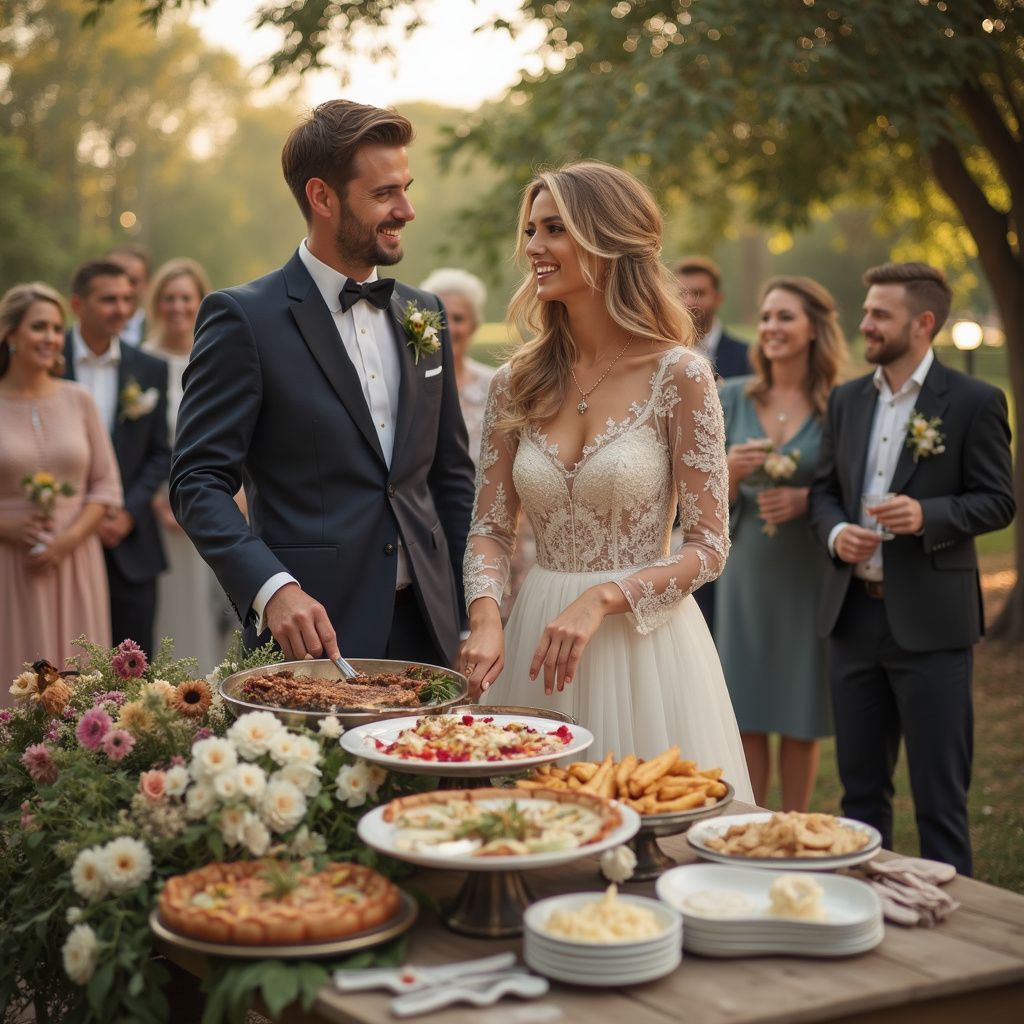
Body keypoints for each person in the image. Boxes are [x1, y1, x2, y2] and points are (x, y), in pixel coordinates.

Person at [459, 161, 753, 797]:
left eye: (554, 230)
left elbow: (708, 547)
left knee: (651, 834)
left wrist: (603, 597)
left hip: (645, 645)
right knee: (532, 830)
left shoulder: (680, 375)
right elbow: (488, 530)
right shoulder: (517, 381)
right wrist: (486, 617)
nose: (533, 247)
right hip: (537, 637)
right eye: (532, 230)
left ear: (609, 241)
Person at [170, 100, 476, 667]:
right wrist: (273, 588)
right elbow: (197, 482)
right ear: (322, 197)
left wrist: (470, 616)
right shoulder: (243, 318)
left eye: (406, 188)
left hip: (430, 630)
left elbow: (450, 477)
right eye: (385, 193)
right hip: (311, 638)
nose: (406, 210)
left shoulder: (424, 312)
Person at [809, 261, 1014, 875]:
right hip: (853, 623)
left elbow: (999, 500)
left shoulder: (975, 401)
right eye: (866, 311)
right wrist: (839, 530)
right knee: (860, 796)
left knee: (940, 799)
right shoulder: (846, 400)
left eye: (880, 315)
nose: (865, 324)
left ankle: (960, 936)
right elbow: (824, 492)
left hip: (932, 628)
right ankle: (863, 912)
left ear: (922, 324)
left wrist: (926, 515)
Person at [716, 277, 847, 810]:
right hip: (745, 569)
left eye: (785, 317)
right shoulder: (730, 397)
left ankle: (792, 822)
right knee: (745, 708)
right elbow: (690, 500)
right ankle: (749, 822)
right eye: (766, 316)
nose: (771, 327)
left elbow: (850, 490)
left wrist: (805, 500)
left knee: (799, 711)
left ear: (814, 328)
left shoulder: (837, 406)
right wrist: (727, 473)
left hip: (806, 572)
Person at [0, 283, 123, 700]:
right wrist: (6, 526)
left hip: (76, 560)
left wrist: (67, 541)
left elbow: (106, 487)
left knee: (78, 677)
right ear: (10, 334)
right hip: (9, 562)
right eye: (38, 327)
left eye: (56, 327)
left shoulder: (79, 399)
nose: (51, 337)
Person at [63, 260, 170, 657]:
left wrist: (127, 511)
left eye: (127, 299)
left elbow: (160, 451)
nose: (121, 309)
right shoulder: (45, 359)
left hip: (131, 540)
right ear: (78, 304)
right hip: (65, 536)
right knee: (63, 662)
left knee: (134, 666)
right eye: (109, 299)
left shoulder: (149, 368)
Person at [421, 266, 537, 615]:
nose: (449, 326)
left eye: (457, 317)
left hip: (498, 535)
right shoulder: (412, 390)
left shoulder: (498, 386)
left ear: (472, 325)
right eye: (440, 316)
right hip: (431, 539)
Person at [142, 258, 227, 673]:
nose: (177, 307)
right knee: (163, 608)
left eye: (186, 298)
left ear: (200, 302)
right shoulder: (140, 364)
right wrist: (159, 502)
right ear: (157, 304)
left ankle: (206, 691)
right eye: (169, 298)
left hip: (209, 502)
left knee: (208, 607)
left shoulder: (218, 356)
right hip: (155, 510)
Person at [674, 255, 750, 635]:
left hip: (737, 518)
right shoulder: (657, 358)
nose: (690, 302)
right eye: (682, 294)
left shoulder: (748, 358)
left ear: (718, 297)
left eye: (699, 293)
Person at [107, 244, 152, 347]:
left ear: (147, 286)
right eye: (114, 280)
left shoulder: (159, 331)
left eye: (132, 281)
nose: (123, 288)